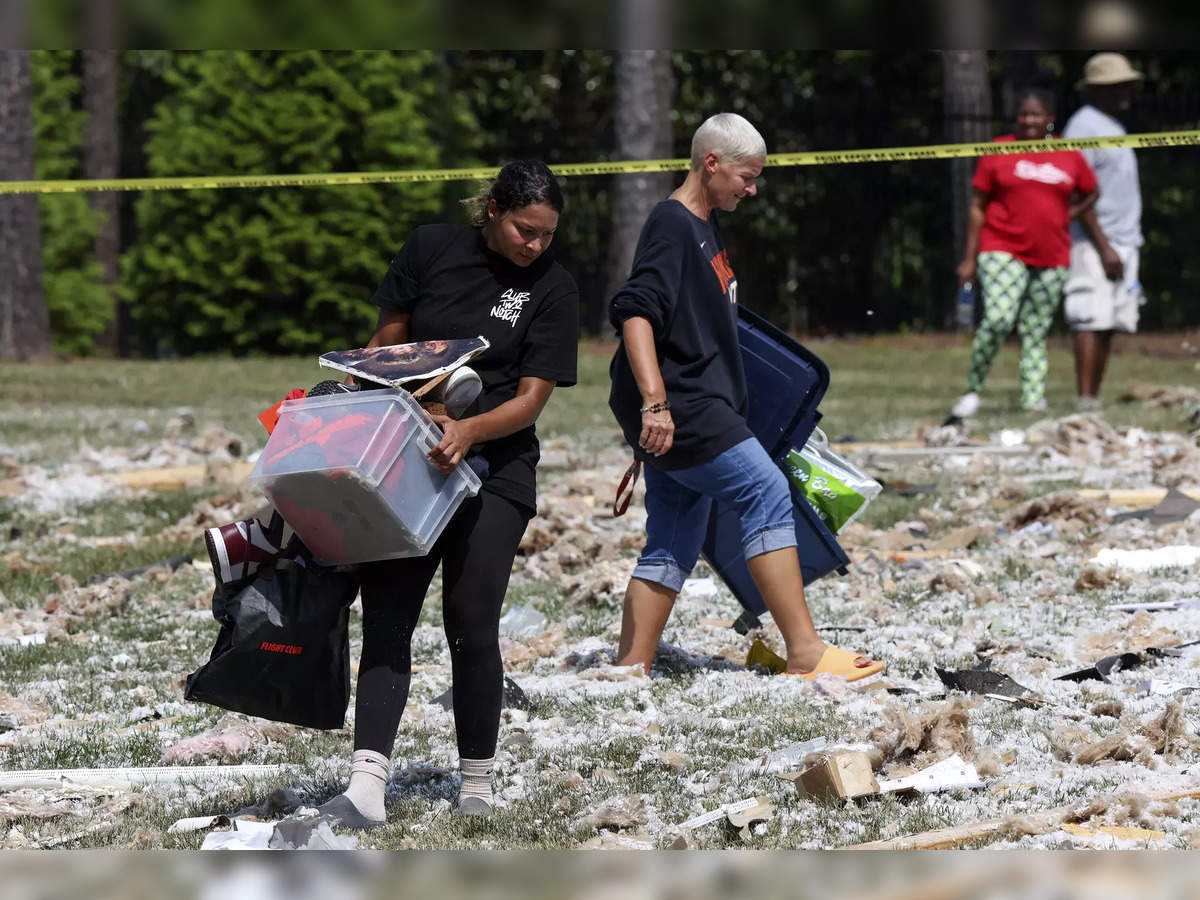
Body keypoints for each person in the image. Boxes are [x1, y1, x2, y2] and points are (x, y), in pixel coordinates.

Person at [318, 160, 579, 828]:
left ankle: (477, 787)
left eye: (547, 235)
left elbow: (530, 400)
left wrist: (467, 428)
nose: (535, 246)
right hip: (408, 456)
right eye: (525, 230)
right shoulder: (430, 248)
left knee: (470, 619)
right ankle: (367, 790)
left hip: (498, 467)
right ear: (492, 209)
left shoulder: (553, 287)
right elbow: (387, 341)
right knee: (388, 613)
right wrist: (395, 393)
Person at [608, 112, 883, 682]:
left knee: (673, 538)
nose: (752, 189)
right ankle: (805, 652)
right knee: (765, 491)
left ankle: (628, 667)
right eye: (746, 176)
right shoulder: (672, 225)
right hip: (687, 407)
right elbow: (635, 312)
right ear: (711, 163)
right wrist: (653, 403)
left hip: (695, 407)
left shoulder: (705, 224)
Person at [951, 88, 1100, 419]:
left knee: (1036, 328)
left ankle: (1033, 398)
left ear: (1049, 118)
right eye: (1023, 115)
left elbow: (1091, 191)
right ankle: (972, 389)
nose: (1029, 121)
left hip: (1052, 254)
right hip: (1001, 246)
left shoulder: (1068, 153)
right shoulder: (997, 150)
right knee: (999, 318)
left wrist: (1068, 215)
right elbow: (977, 207)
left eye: (1036, 114)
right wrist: (969, 257)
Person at [1062, 53, 1145, 410]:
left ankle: (1094, 397)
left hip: (1124, 238)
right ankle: (1084, 398)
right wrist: (1103, 245)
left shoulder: (1113, 125)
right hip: (1094, 240)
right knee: (1088, 316)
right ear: (1097, 89)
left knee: (1110, 320)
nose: (1126, 90)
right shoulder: (1084, 126)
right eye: (1117, 85)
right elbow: (1079, 193)